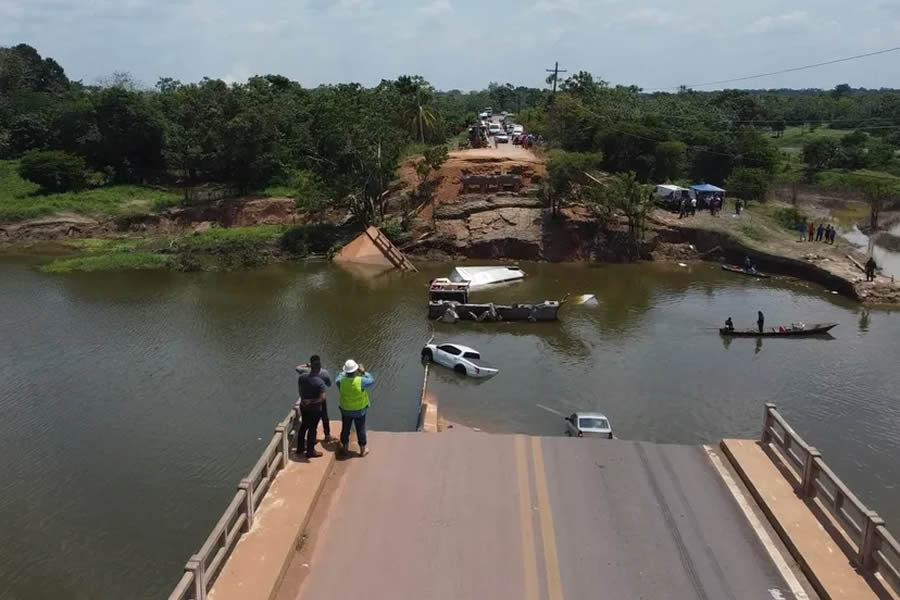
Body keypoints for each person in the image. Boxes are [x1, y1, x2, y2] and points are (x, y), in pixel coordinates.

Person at [336, 359, 376, 457]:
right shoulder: (360, 381)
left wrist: (345, 370)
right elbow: (371, 380)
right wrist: (363, 371)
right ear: (355, 370)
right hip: (359, 411)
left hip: (345, 410)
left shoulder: (340, 381)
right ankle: (362, 451)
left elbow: (340, 376)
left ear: (346, 371)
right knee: (360, 429)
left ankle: (345, 449)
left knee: (345, 428)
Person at [296, 355, 332, 458]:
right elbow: (322, 398)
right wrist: (311, 401)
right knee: (312, 429)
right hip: (315, 408)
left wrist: (305, 400)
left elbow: (300, 389)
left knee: (303, 427)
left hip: (303, 407)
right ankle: (311, 451)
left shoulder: (302, 377)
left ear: (310, 366)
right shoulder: (321, 380)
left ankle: (300, 448)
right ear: (319, 366)